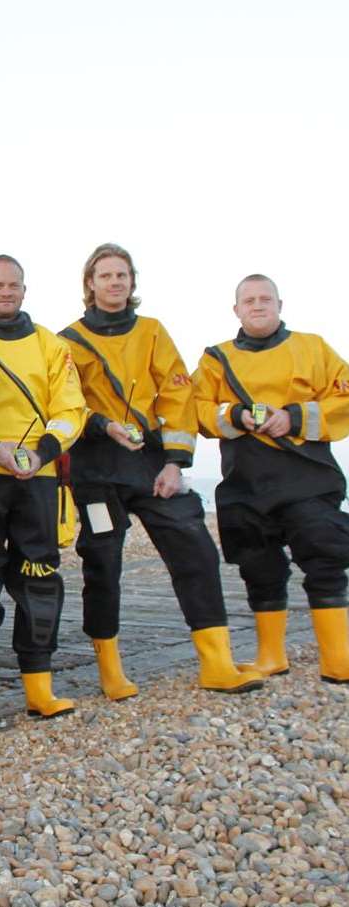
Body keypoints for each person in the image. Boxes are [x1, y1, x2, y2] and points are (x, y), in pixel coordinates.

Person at [59, 243, 263, 699]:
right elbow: (66, 401)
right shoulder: (66, 341)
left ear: (132, 282)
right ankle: (110, 672)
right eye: (106, 275)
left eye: (123, 275)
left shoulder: (152, 332)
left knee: (195, 547)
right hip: (95, 467)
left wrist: (175, 462)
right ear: (90, 284)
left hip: (150, 463)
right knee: (102, 563)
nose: (115, 282)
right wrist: (102, 425)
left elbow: (177, 397)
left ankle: (217, 663)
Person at [193, 274, 349, 683]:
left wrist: (293, 417)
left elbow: (346, 395)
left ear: (280, 305)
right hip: (244, 478)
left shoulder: (312, 347)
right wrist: (234, 415)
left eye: (265, 299)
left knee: (326, 558)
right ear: (237, 310)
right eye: (249, 300)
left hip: (306, 476)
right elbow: (195, 408)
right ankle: (270, 655)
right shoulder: (216, 358)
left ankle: (338, 659)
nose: (258, 305)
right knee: (258, 567)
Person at [0, 256, 85, 720]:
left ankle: (39, 688)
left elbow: (71, 408)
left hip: (37, 479)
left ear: (24, 291)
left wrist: (42, 452)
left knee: (40, 584)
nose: (5, 292)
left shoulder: (52, 346)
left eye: (13, 285)